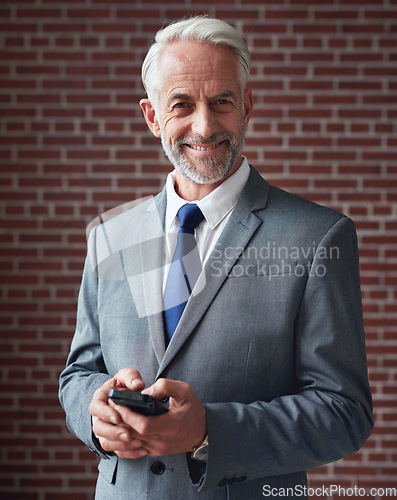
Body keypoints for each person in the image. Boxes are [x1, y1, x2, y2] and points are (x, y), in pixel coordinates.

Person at [59, 16, 373, 500]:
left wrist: (209, 430)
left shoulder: (319, 236)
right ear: (152, 116)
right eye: (181, 104)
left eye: (222, 101)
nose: (204, 126)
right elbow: (79, 373)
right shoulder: (110, 235)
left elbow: (344, 412)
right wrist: (94, 414)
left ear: (246, 106)